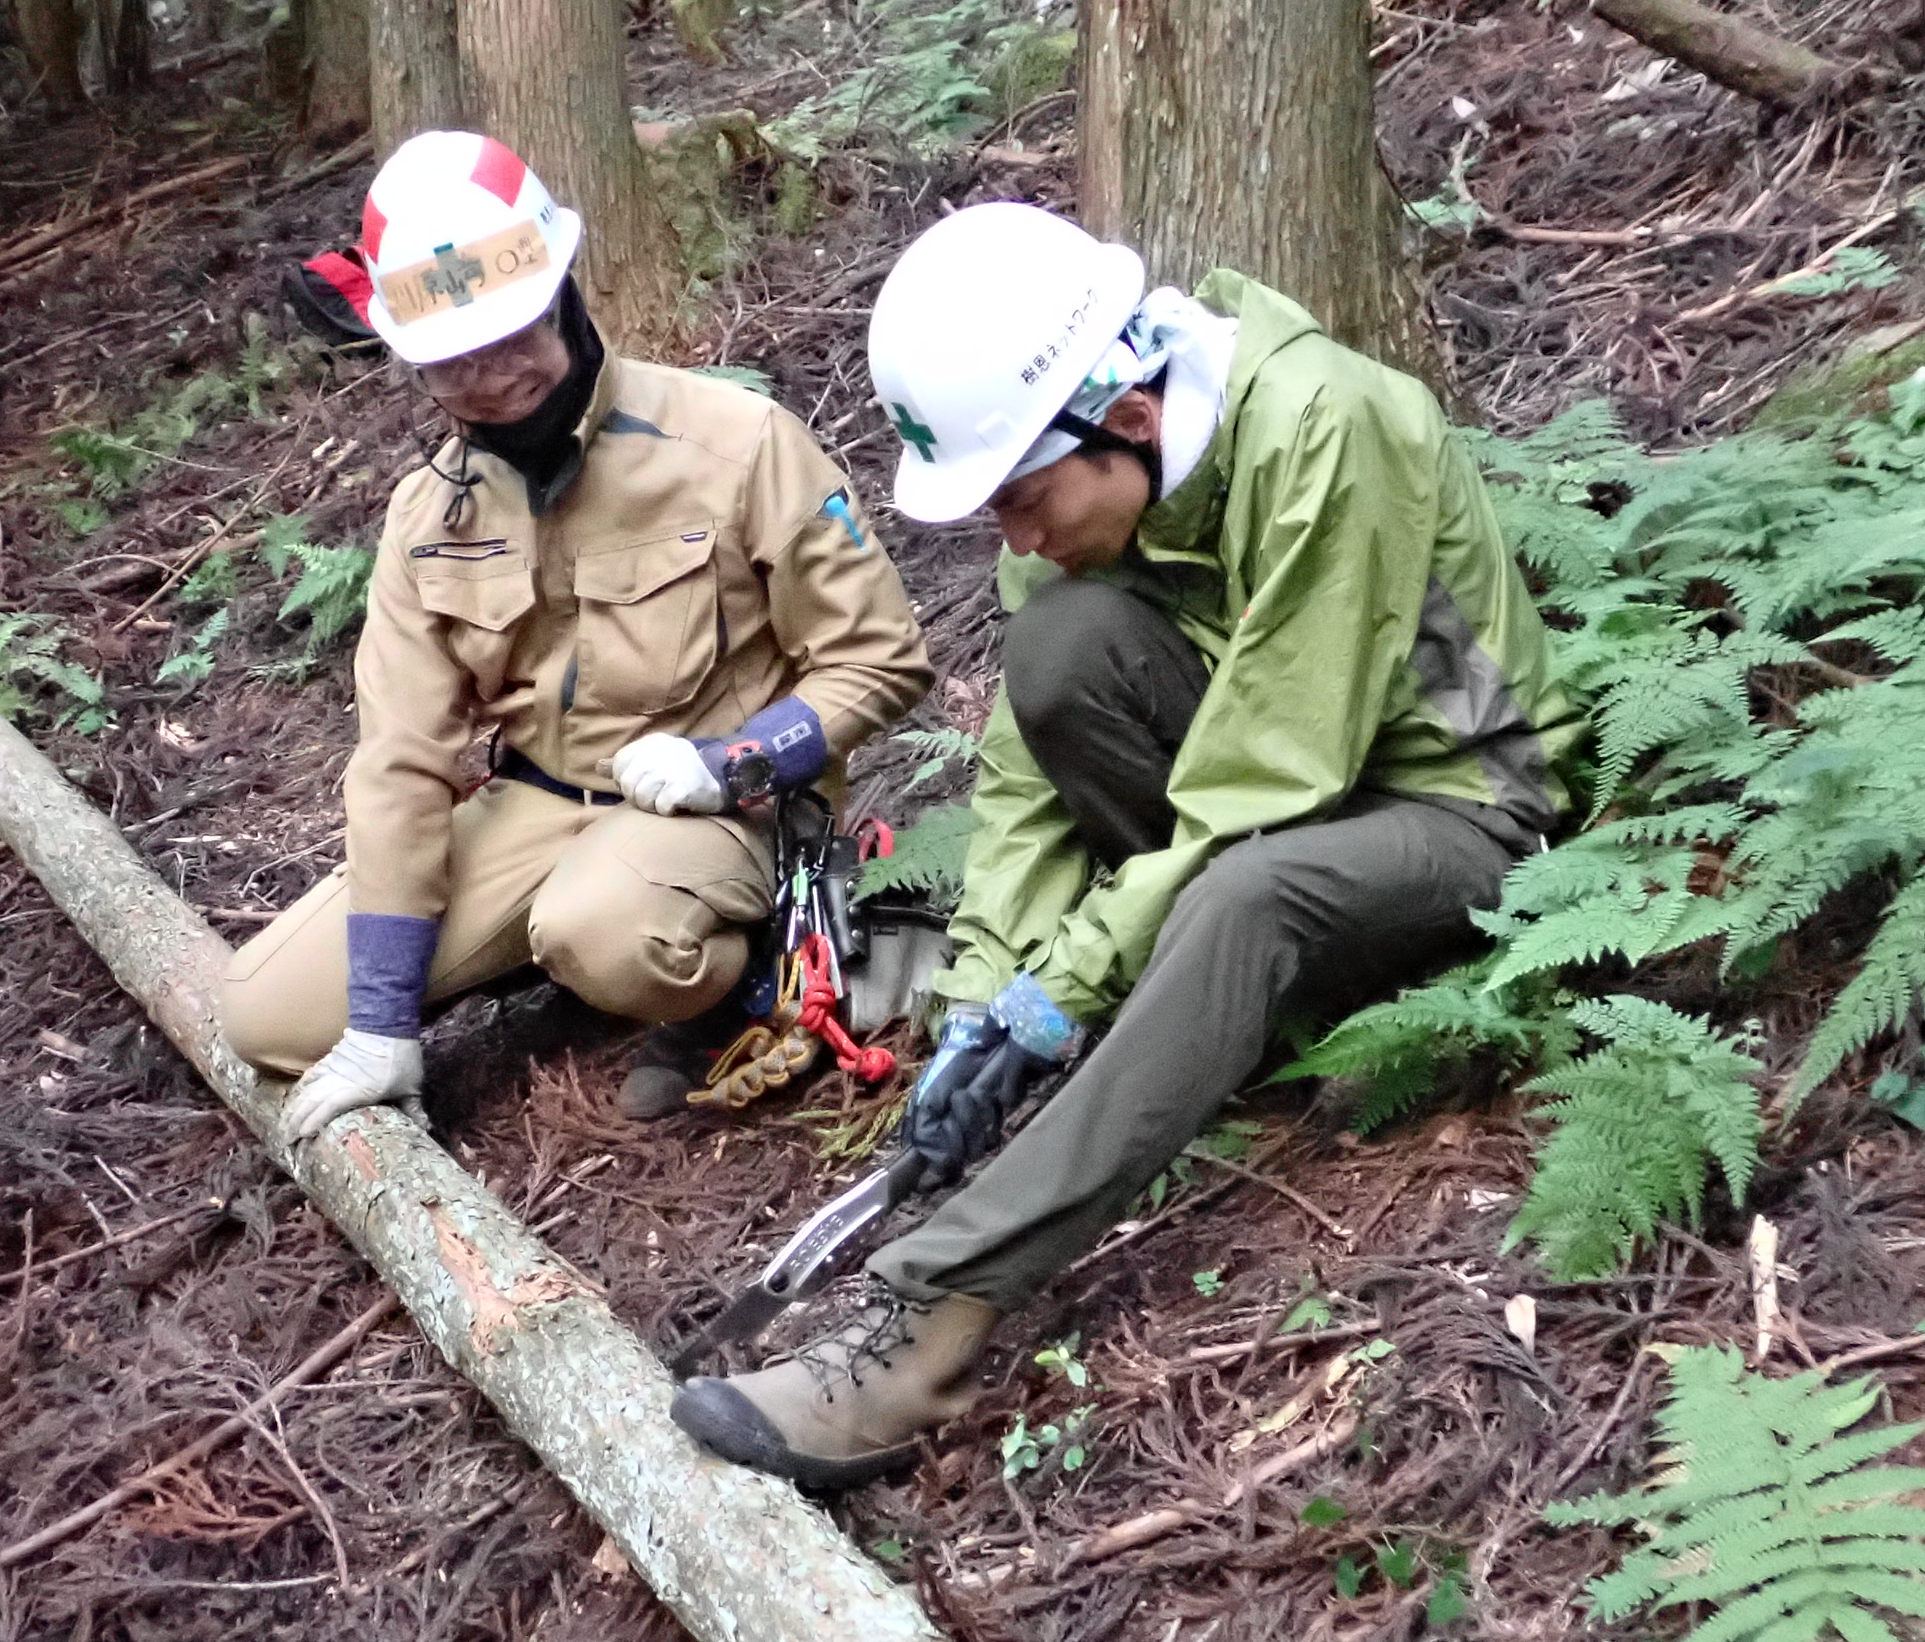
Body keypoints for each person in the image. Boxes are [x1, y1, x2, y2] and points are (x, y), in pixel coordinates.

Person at [674, 201, 1582, 1488]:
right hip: (1278, 800)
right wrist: (982, 995)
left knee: (1250, 893)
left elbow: (1261, 786)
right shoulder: (1083, 481)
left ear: (1133, 422)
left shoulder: (1325, 425)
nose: (1019, 540)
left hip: (1458, 808)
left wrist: (1071, 984)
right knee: (1058, 654)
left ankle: (927, 1317)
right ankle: (1189, 1019)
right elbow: (1025, 774)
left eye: (1026, 502)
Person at [218, 131, 932, 1129]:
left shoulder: (730, 443)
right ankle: (547, 951)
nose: (490, 372)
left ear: (560, 292)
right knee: (264, 1017)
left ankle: (741, 971)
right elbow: (400, 765)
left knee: (603, 930)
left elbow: (879, 660)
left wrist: (729, 762)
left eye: (510, 332)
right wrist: (381, 1022)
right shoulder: (428, 521)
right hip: (539, 809)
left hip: (734, 805)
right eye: (452, 357)